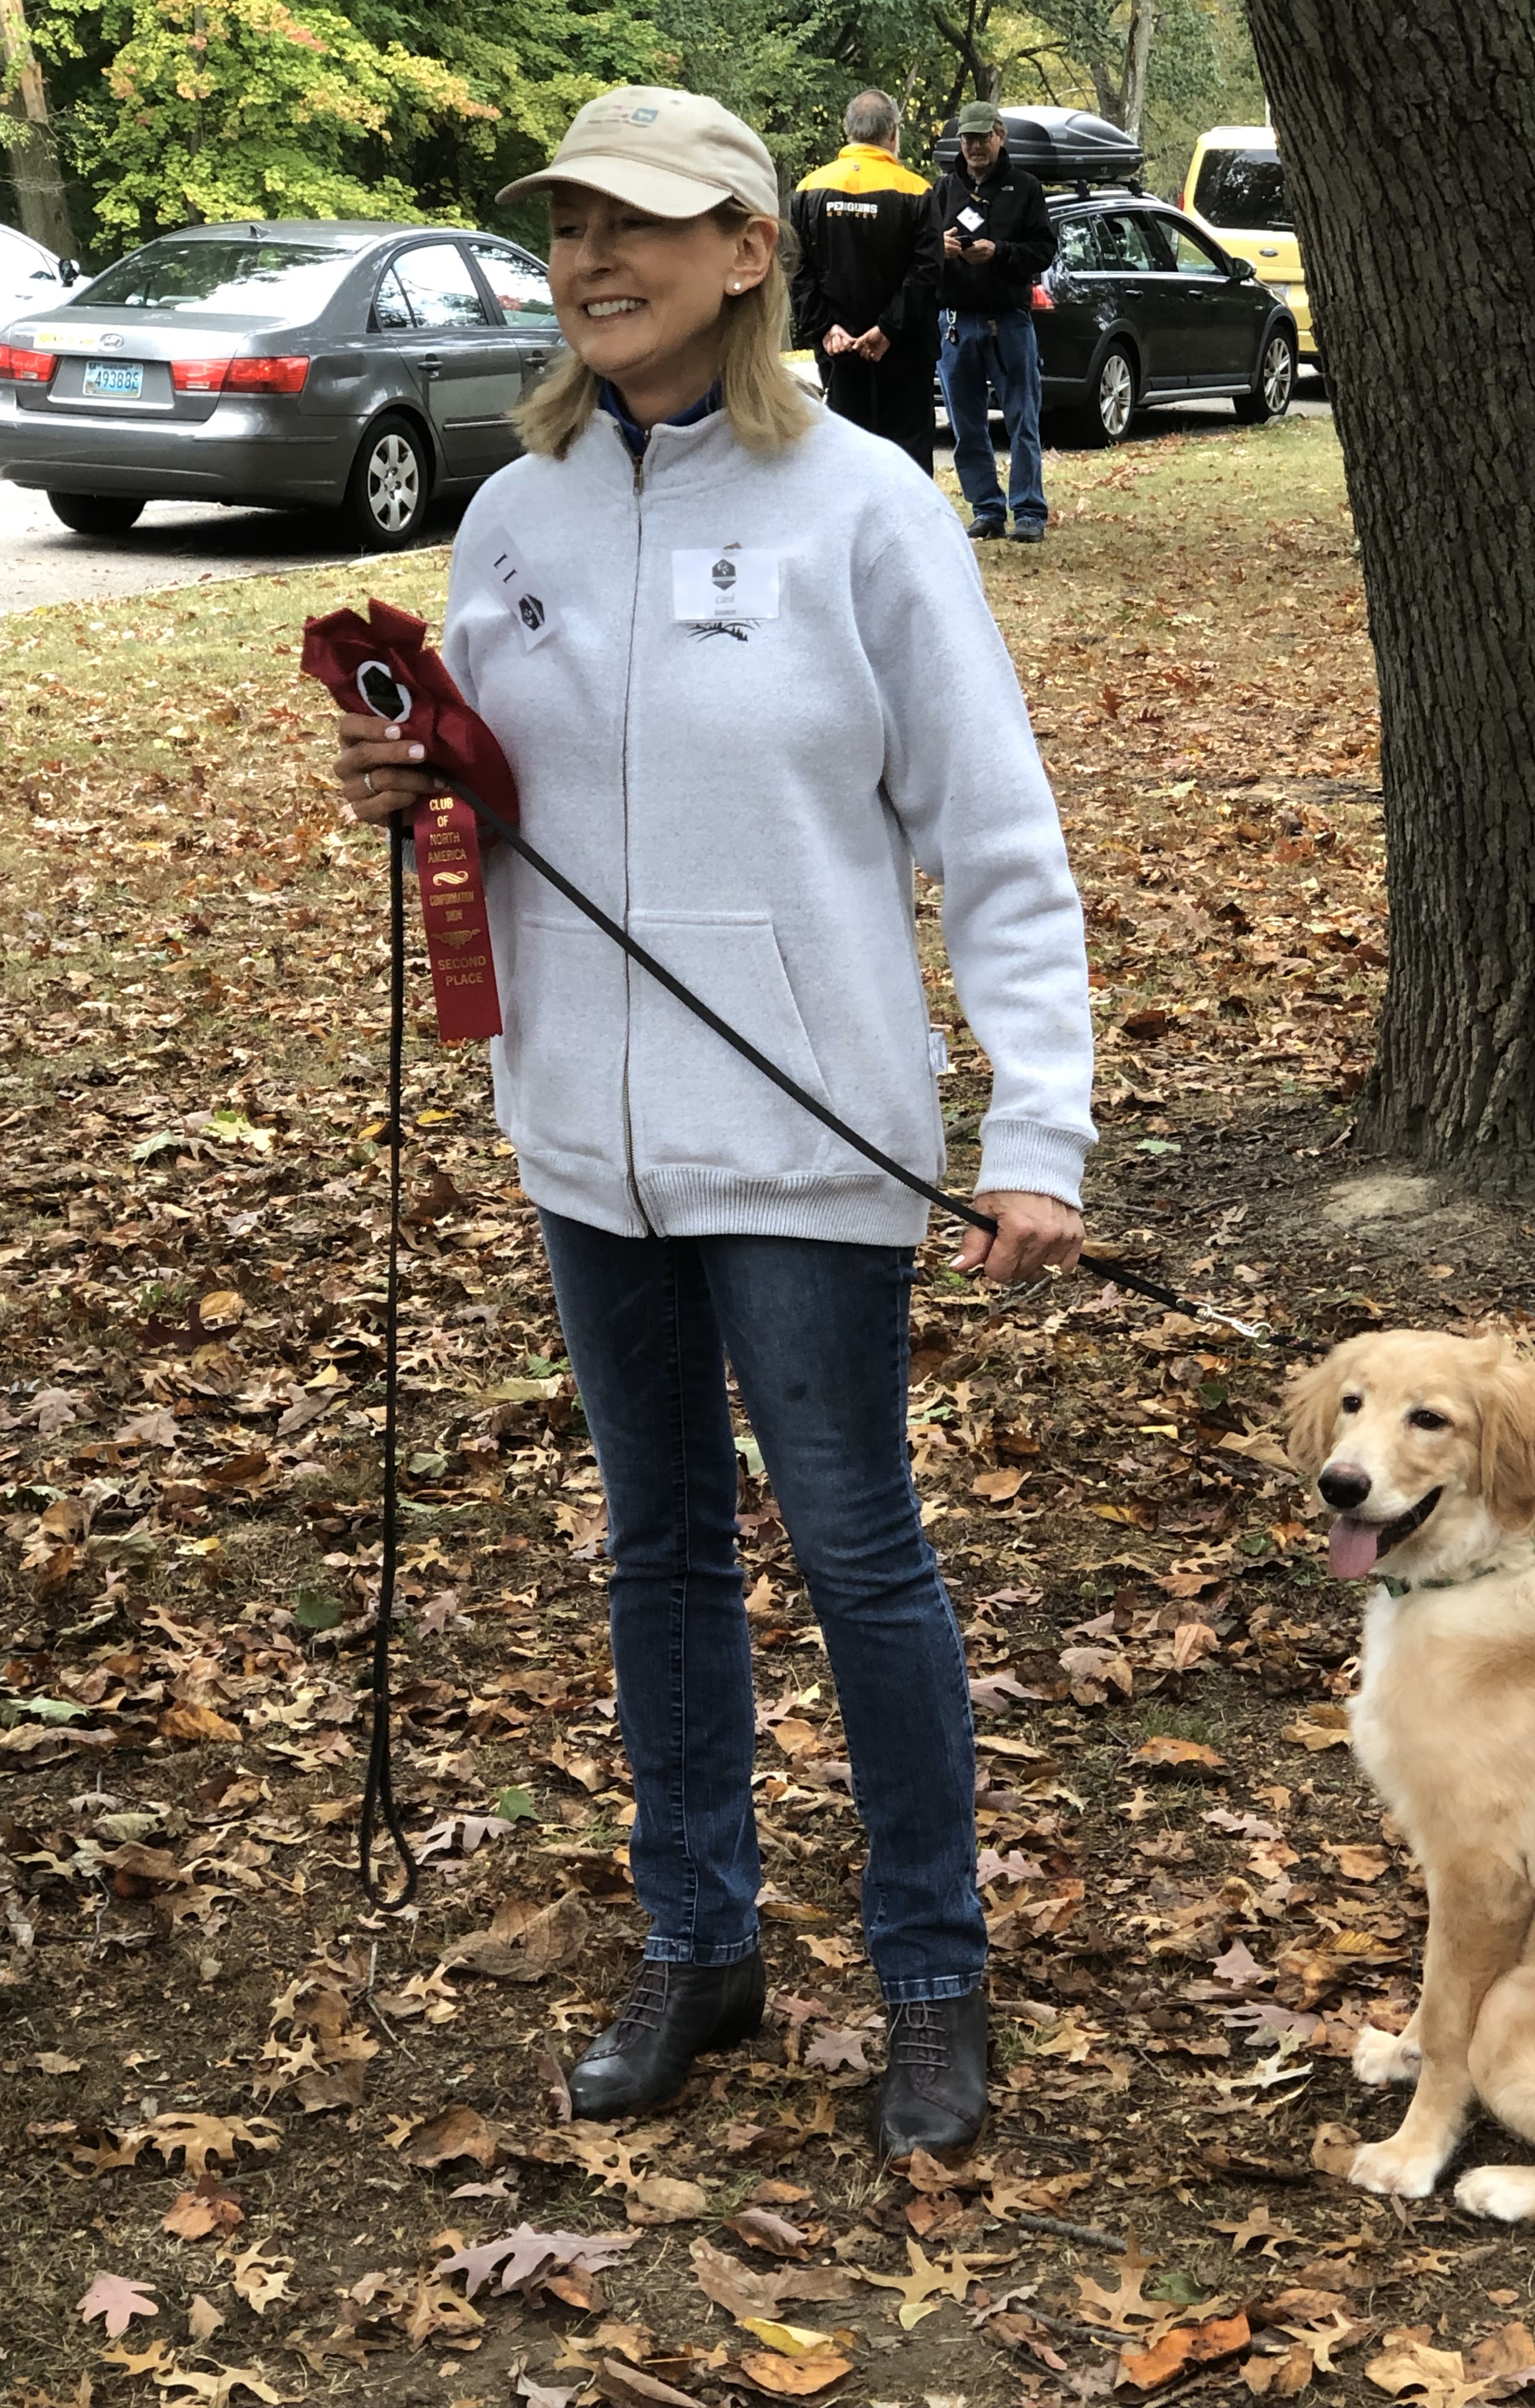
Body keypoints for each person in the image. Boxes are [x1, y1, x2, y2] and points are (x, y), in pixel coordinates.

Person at [327, 86, 1095, 2162]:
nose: (596, 258)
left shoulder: (866, 508)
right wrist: (417, 791)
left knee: (857, 1554)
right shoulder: (515, 515)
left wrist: (1040, 1126)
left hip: (810, 1135)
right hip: (588, 1134)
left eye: (646, 225)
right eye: (573, 223)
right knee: (656, 1544)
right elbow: (508, 796)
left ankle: (933, 1975)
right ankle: (701, 1940)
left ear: (750, 250)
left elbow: (996, 836)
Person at [790, 88, 940, 475]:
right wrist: (888, 329)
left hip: (840, 350)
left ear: (849, 133)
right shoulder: (916, 190)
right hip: (903, 352)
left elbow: (794, 268)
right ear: (893, 135)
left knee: (844, 454)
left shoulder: (808, 190)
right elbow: (926, 273)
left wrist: (824, 329)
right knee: (906, 458)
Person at [931, 100, 1056, 543]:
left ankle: (1028, 511)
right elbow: (917, 256)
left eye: (983, 137)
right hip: (956, 323)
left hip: (1009, 323)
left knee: (1023, 418)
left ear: (999, 137)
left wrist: (999, 252)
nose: (975, 147)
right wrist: (938, 249)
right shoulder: (944, 190)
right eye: (968, 138)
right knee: (966, 425)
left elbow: (1044, 251)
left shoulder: (1024, 188)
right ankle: (986, 509)